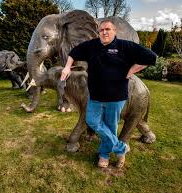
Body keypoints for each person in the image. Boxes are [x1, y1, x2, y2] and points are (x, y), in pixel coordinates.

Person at [60, 19, 157, 168]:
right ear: (98, 33)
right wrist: (67, 67)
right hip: (95, 97)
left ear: (114, 31)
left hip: (116, 98)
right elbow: (73, 52)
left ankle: (104, 156)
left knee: (110, 127)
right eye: (101, 30)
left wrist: (132, 70)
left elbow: (151, 57)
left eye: (107, 29)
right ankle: (120, 148)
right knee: (92, 120)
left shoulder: (126, 46)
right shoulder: (91, 45)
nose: (104, 32)